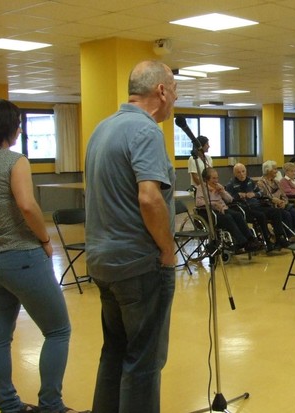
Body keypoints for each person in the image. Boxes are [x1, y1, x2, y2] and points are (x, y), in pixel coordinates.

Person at [0, 99, 89, 413]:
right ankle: (51, 405)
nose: (20, 129)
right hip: (24, 258)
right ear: (8, 128)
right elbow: (27, 206)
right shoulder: (15, 161)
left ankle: (9, 406)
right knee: (58, 330)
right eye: (18, 123)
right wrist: (44, 239)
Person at [84, 60, 177, 413]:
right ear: (161, 91)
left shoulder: (102, 128)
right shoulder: (146, 130)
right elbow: (149, 197)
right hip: (138, 265)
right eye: (175, 90)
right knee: (143, 362)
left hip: (104, 261)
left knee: (114, 352)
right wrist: (167, 249)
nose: (175, 99)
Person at [226, 163, 290, 251]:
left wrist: (254, 194)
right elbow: (229, 199)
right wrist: (238, 196)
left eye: (243, 171)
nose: (241, 174)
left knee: (276, 211)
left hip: (256, 205)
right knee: (261, 215)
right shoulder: (231, 184)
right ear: (235, 174)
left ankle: (279, 238)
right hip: (244, 208)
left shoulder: (250, 181)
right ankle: (268, 241)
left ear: (246, 171)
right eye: (238, 172)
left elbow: (261, 193)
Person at [196, 167, 263, 252]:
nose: (216, 180)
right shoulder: (201, 188)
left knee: (238, 215)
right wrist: (214, 204)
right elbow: (198, 203)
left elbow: (230, 200)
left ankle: (251, 239)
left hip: (224, 209)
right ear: (206, 179)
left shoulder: (218, 187)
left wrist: (222, 191)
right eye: (213, 178)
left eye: (217, 178)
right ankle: (242, 242)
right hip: (210, 212)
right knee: (228, 218)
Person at [258, 160, 295, 237]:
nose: (277, 171)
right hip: (271, 206)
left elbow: (284, 195)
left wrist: (283, 202)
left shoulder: (277, 182)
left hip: (282, 205)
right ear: (268, 170)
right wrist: (277, 201)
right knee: (287, 215)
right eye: (274, 169)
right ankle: (289, 236)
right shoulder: (261, 183)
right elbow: (267, 196)